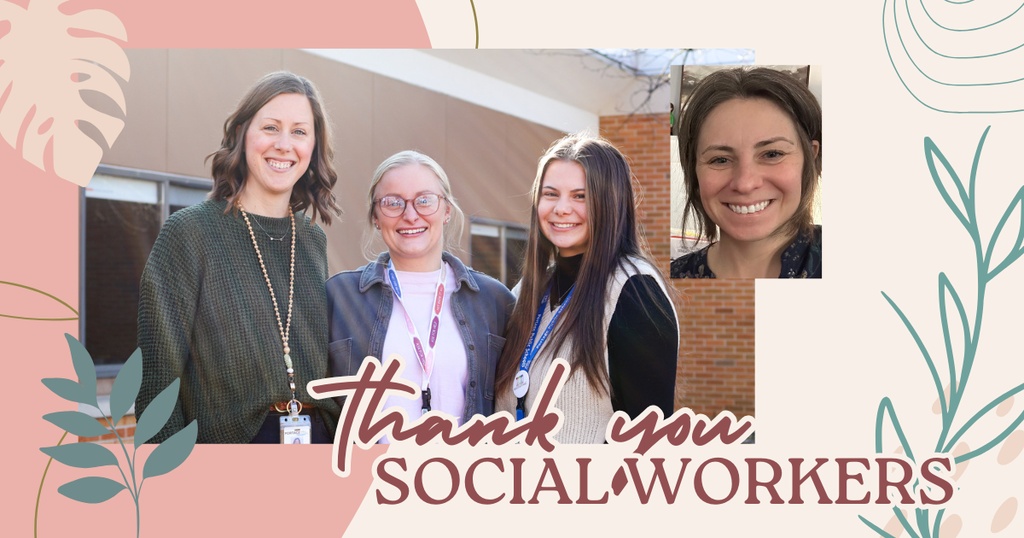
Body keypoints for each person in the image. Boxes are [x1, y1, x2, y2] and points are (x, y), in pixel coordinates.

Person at [136, 71, 342, 443]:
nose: (284, 144)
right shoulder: (190, 231)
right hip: (228, 449)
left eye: (299, 131)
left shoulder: (312, 240)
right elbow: (157, 376)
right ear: (243, 135)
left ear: (313, 146)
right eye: (270, 127)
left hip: (318, 441)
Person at [494, 133, 679, 444]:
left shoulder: (634, 291)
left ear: (610, 202)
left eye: (580, 196)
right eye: (550, 194)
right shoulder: (528, 291)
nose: (562, 208)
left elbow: (650, 443)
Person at [325, 151, 515, 437]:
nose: (410, 215)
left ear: (447, 210)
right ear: (375, 217)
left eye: (425, 200)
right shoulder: (339, 297)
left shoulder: (494, 301)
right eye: (393, 203)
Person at [670, 67, 822, 279]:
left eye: (772, 154)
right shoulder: (665, 285)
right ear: (694, 172)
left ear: (810, 159)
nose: (745, 183)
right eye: (720, 160)